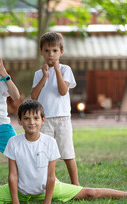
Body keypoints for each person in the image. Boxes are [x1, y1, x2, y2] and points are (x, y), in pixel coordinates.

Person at [31, 32, 79, 186]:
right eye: (46, 51)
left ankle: (76, 185)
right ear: (41, 52)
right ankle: (49, 183)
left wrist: (57, 71)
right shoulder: (39, 74)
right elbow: (34, 96)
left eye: (54, 51)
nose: (50, 54)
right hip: (44, 120)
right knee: (44, 154)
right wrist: (45, 77)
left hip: (62, 118)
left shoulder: (65, 70)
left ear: (61, 52)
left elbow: (63, 91)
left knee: (67, 153)